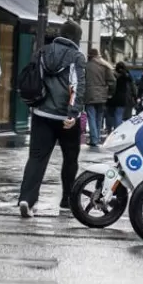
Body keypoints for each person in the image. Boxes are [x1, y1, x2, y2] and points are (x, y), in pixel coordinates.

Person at [17, 21, 86, 218]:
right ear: (76, 38)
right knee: (70, 159)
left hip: (41, 114)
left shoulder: (42, 52)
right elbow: (77, 86)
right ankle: (67, 200)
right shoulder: (77, 57)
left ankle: (27, 199)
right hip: (65, 118)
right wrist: (73, 114)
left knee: (36, 158)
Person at [84, 48, 115, 146]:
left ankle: (94, 139)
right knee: (99, 117)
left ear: (89, 56)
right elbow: (113, 81)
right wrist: (110, 92)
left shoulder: (86, 66)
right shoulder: (104, 66)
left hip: (89, 94)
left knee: (91, 117)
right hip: (102, 95)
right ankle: (96, 138)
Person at [109, 61, 136, 132]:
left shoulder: (113, 75)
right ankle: (119, 131)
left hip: (113, 97)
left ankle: (113, 130)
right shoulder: (127, 76)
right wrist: (135, 96)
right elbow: (133, 87)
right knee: (119, 115)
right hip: (124, 98)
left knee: (113, 115)